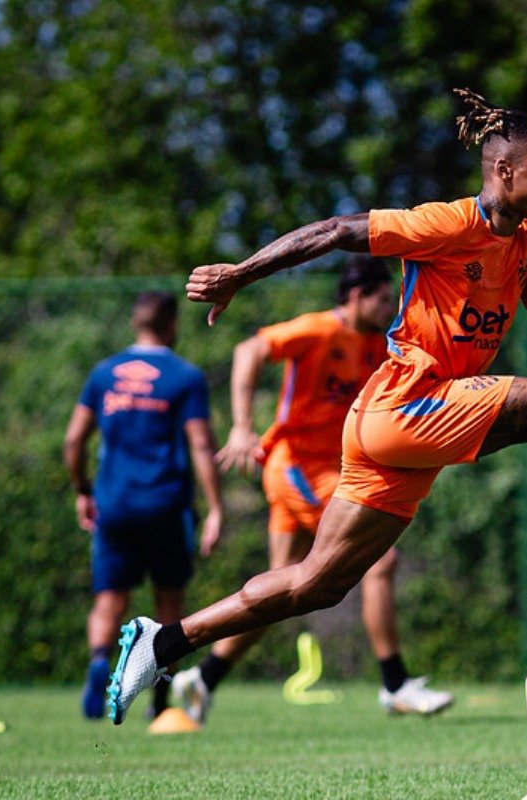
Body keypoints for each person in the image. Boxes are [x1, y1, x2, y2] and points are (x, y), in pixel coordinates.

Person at [105, 87, 527, 724]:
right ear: (505, 171)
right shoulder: (448, 223)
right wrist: (240, 274)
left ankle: (163, 641)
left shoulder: (526, 246)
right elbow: (338, 231)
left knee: (317, 583)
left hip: (393, 430)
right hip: (404, 405)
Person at [170, 257, 454, 721]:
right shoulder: (319, 330)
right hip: (296, 467)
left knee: (284, 588)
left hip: (333, 472)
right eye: (384, 299)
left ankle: (204, 679)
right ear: (358, 296)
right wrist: (242, 427)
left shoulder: (379, 346)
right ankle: (395, 684)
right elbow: (249, 350)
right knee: (381, 557)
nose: (390, 308)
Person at [64, 291, 224, 720]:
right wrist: (215, 507)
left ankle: (100, 663)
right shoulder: (183, 376)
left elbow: (74, 440)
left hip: (113, 504)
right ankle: (159, 698)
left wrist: (82, 489)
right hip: (166, 505)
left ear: (137, 323)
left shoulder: (104, 373)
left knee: (109, 599)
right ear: (172, 324)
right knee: (169, 603)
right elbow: (202, 443)